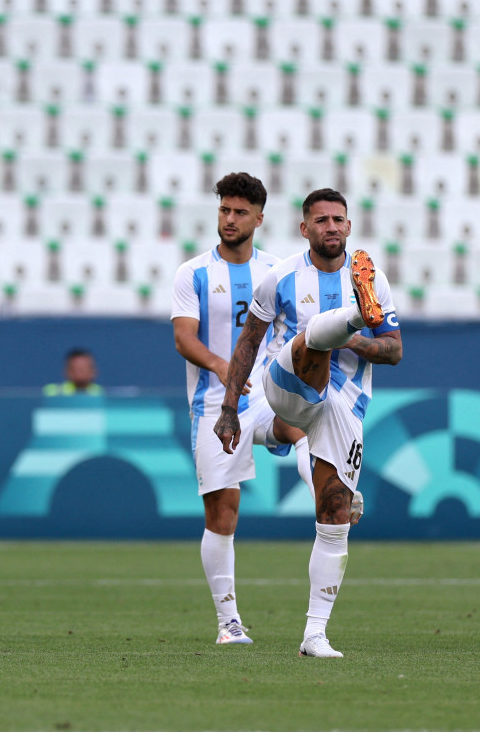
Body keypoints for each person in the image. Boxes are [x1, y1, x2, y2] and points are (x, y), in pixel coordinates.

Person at [214, 188, 402, 658]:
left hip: (344, 408)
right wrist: (228, 406)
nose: (331, 227)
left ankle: (314, 634)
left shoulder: (375, 279)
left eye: (339, 219)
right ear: (305, 229)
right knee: (310, 341)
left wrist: (358, 344)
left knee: (335, 513)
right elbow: (248, 344)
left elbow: (396, 351)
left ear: (349, 227)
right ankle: (353, 317)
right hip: (286, 383)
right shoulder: (280, 278)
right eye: (321, 220)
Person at [171, 172, 314, 646]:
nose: (229, 219)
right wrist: (222, 366)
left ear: (258, 218)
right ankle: (228, 623)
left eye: (239, 212)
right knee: (223, 514)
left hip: (265, 396)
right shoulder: (192, 273)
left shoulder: (275, 271)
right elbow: (184, 337)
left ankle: (335, 496)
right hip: (214, 404)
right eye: (224, 211)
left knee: (308, 428)